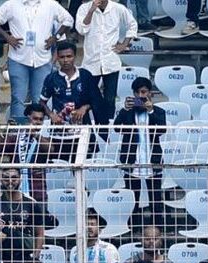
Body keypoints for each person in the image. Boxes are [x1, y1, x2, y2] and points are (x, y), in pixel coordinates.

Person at [0, 0, 74, 122]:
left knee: (39, 100)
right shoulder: (12, 4)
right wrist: (7, 37)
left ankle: (39, 132)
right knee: (18, 99)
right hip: (18, 59)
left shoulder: (50, 4)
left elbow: (69, 20)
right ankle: (18, 131)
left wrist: (56, 37)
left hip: (42, 60)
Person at [113, 77, 166, 218]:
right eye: (137, 93)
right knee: (132, 201)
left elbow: (162, 129)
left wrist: (150, 111)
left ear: (150, 93)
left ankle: (157, 226)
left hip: (152, 160)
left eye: (143, 92)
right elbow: (117, 128)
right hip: (131, 161)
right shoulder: (127, 111)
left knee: (155, 200)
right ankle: (133, 226)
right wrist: (125, 109)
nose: (140, 96)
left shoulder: (159, 111)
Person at [76, 0, 137, 112]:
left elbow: (132, 24)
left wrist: (124, 44)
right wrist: (91, 11)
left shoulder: (118, 8)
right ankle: (90, 122)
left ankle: (108, 122)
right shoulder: (84, 8)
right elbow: (81, 30)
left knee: (110, 99)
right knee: (87, 98)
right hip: (90, 62)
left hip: (111, 61)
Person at [40, 40, 103, 131]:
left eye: (69, 56)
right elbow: (42, 102)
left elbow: (97, 99)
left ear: (75, 56)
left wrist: (84, 108)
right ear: (57, 58)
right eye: (62, 57)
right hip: (59, 129)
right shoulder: (51, 78)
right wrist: (51, 115)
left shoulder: (85, 75)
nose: (65, 60)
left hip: (83, 128)